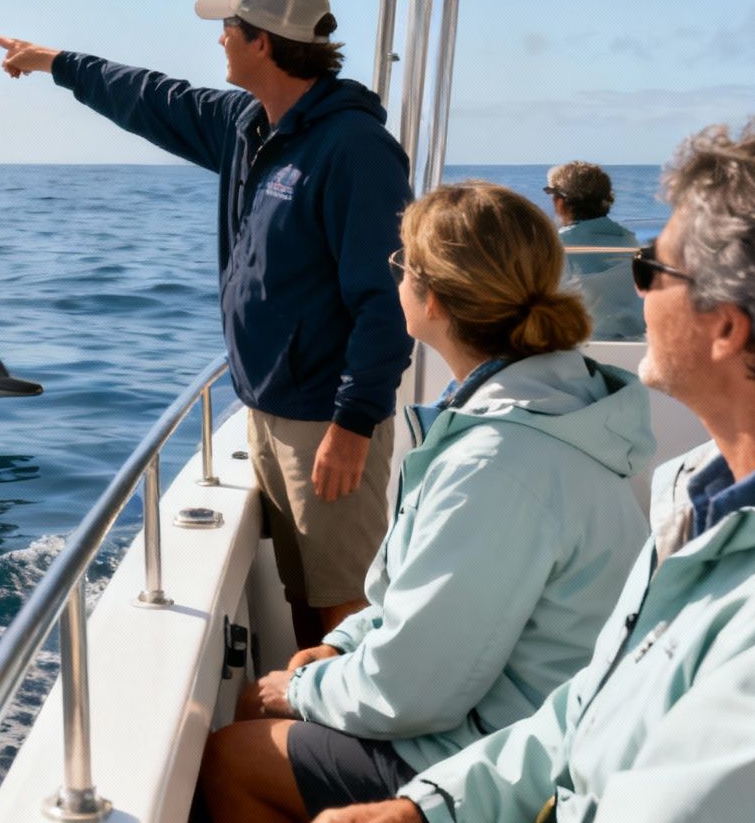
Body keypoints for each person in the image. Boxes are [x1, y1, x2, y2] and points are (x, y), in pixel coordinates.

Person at [320, 124, 755, 823]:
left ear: (728, 326)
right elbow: (596, 703)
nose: (636, 286)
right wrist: (431, 806)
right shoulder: (706, 494)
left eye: (652, 265)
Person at [199, 182, 654, 823]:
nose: (397, 280)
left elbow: (412, 693)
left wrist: (302, 686)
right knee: (264, 702)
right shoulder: (551, 404)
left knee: (233, 757)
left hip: (513, 753)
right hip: (518, 707)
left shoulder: (497, 463)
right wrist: (336, 648)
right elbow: (419, 603)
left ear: (430, 297)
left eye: (401, 266)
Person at [0, 0, 411, 642]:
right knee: (305, 593)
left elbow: (386, 300)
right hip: (268, 405)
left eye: (229, 30)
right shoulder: (247, 124)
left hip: (325, 419)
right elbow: (152, 97)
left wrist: (354, 425)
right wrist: (55, 63)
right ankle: (307, 730)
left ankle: (341, 742)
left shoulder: (354, 150)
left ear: (262, 43)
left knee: (343, 606)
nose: (219, 41)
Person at [544, 161, 643, 341]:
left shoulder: (556, 246)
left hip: (580, 344)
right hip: (633, 339)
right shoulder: (630, 241)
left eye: (552, 194)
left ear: (561, 201)